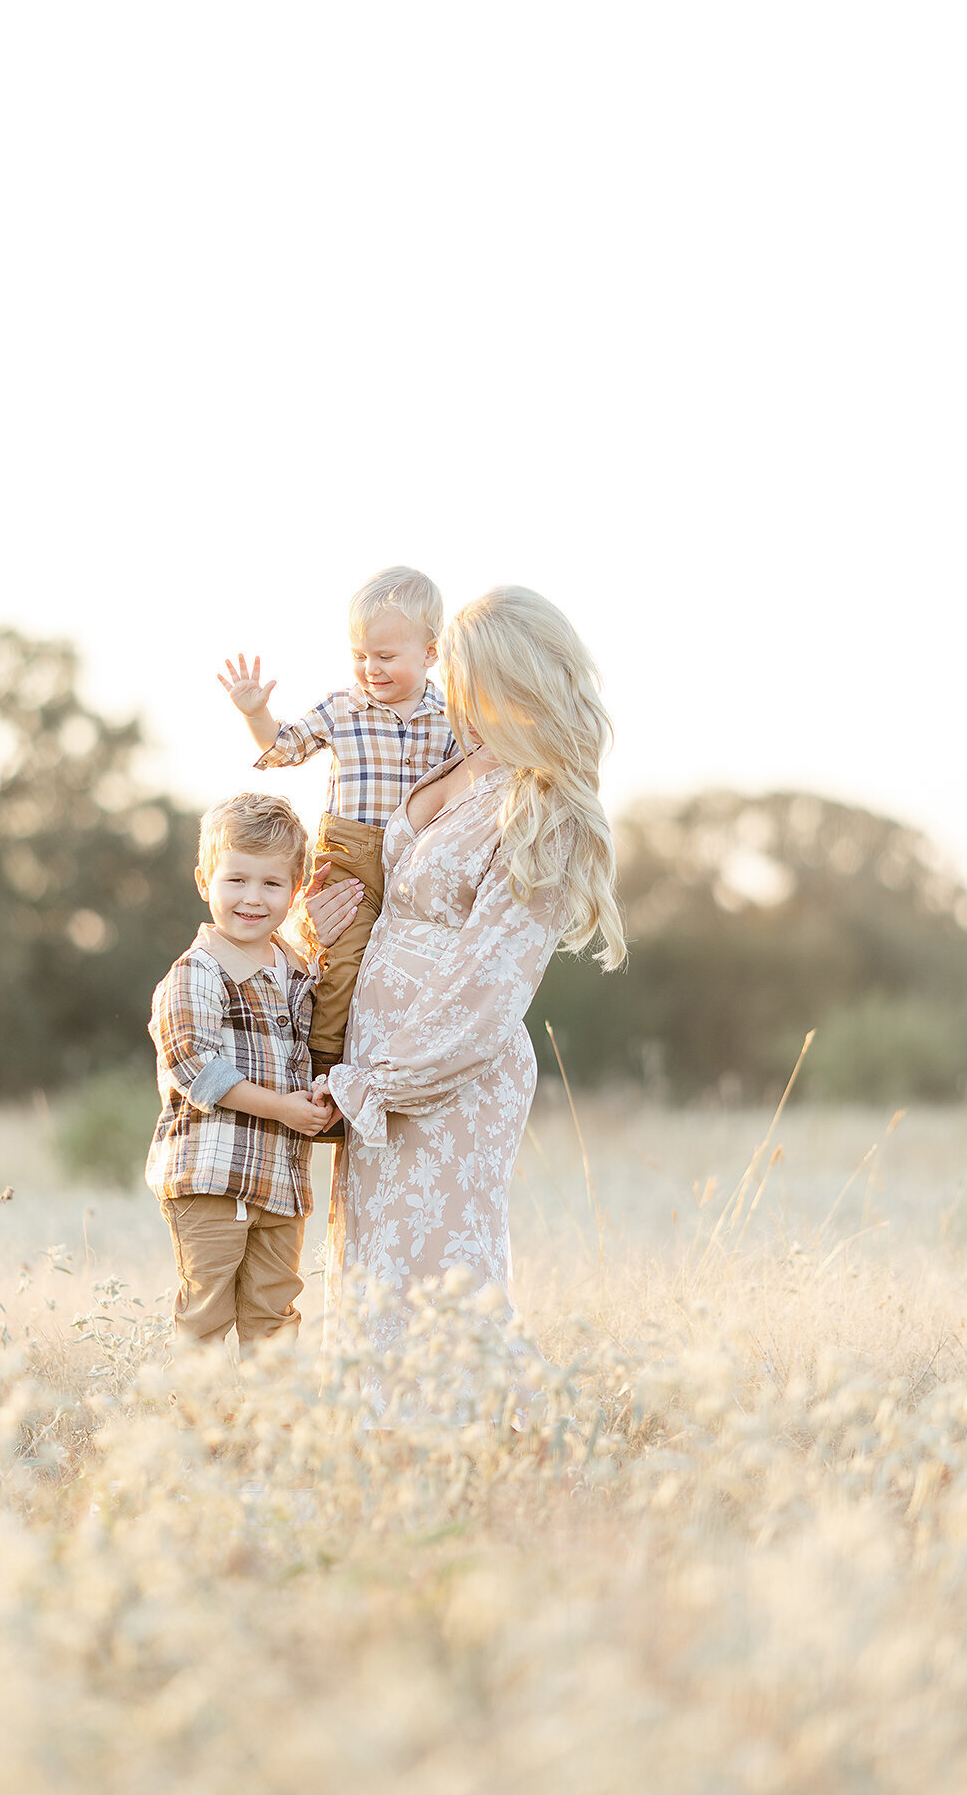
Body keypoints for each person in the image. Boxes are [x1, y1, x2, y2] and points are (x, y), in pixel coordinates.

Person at [307, 588, 627, 1387]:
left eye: (468, 669)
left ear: (513, 676)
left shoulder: (542, 803)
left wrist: (377, 1084)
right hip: (377, 1055)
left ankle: (490, 1448)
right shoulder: (454, 753)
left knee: (441, 1275)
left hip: (446, 1071)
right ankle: (378, 1456)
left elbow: (492, 980)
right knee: (377, 1269)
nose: (449, 682)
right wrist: (322, 925)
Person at [217, 566, 457, 1087]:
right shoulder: (342, 708)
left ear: (431, 653)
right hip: (349, 857)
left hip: (416, 858)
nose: (370, 668)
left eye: (385, 657)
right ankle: (324, 1069)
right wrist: (256, 714)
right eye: (360, 655)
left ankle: (406, 1072)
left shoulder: (451, 716)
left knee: (407, 968)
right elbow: (282, 747)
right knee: (346, 962)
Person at [145, 792, 333, 1349]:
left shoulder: (298, 974)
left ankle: (273, 1432)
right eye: (237, 881)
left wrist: (318, 1094)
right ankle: (194, 1432)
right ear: (205, 881)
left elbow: (307, 1053)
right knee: (205, 1316)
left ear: (294, 890)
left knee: (274, 1316)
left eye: (271, 884)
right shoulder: (196, 974)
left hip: (281, 1184)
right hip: (211, 1178)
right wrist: (285, 1110)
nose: (253, 899)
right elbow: (195, 1067)